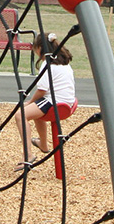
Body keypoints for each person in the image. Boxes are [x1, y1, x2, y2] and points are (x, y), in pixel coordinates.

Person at [13, 34, 75, 173]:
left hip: (54, 101)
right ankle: (43, 144)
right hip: (67, 101)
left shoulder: (48, 64)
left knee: (20, 115)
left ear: (40, 48)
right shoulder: (64, 63)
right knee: (34, 111)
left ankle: (28, 154)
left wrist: (29, 102)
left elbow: (41, 90)